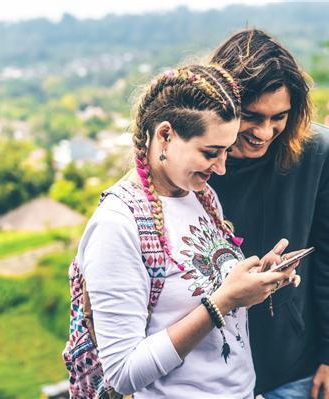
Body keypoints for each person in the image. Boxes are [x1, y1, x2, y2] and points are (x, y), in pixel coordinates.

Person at [63, 64, 299, 398]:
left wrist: (255, 282)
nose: (221, 167)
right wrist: (224, 300)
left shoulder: (202, 196)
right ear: (165, 135)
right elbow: (122, 373)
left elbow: (207, 291)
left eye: (226, 151)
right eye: (209, 153)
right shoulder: (118, 226)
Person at [209, 29, 329, 399]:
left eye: (280, 117)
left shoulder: (318, 152)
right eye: (251, 117)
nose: (264, 132)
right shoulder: (195, 166)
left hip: (292, 364)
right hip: (210, 372)